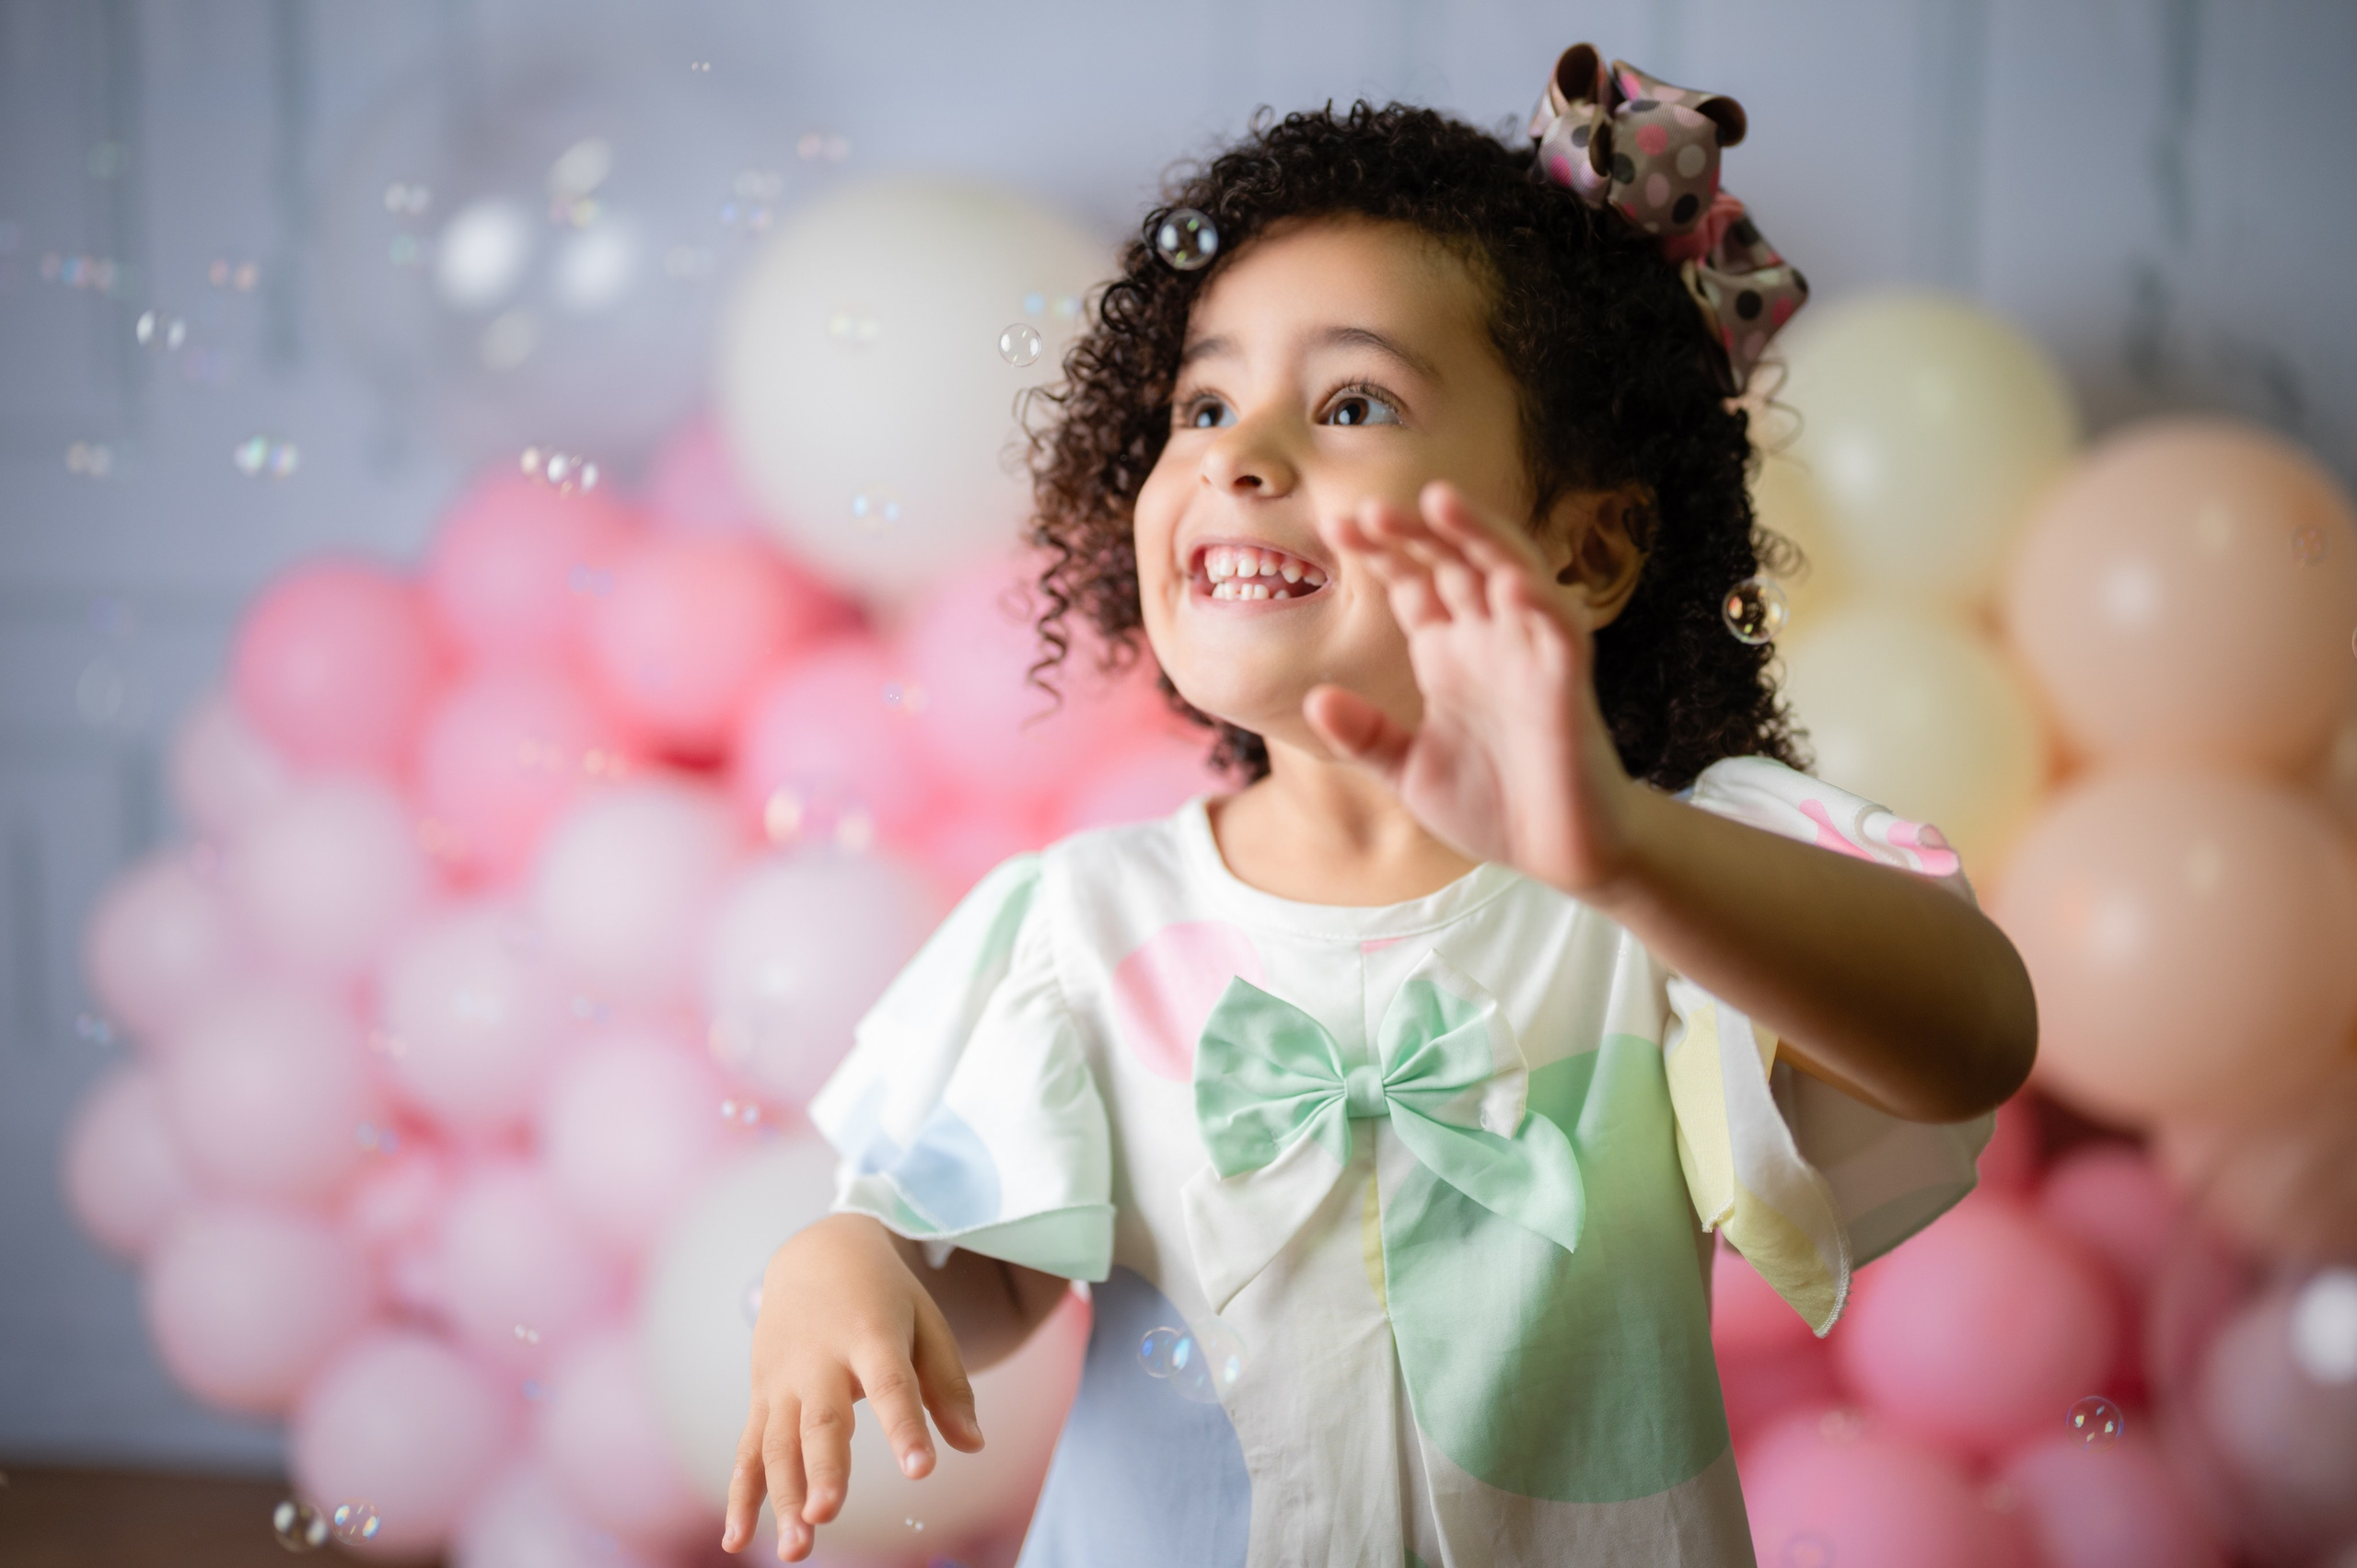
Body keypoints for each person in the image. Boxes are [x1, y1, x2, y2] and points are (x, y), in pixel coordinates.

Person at [722, 45, 2037, 1568]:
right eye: (1201, 405)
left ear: (1585, 552)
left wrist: (1622, 850)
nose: (1241, 458)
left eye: (1353, 401)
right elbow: (989, 1284)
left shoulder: (1671, 894)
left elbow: (1973, 1038)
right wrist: (858, 1259)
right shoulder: (1081, 928)